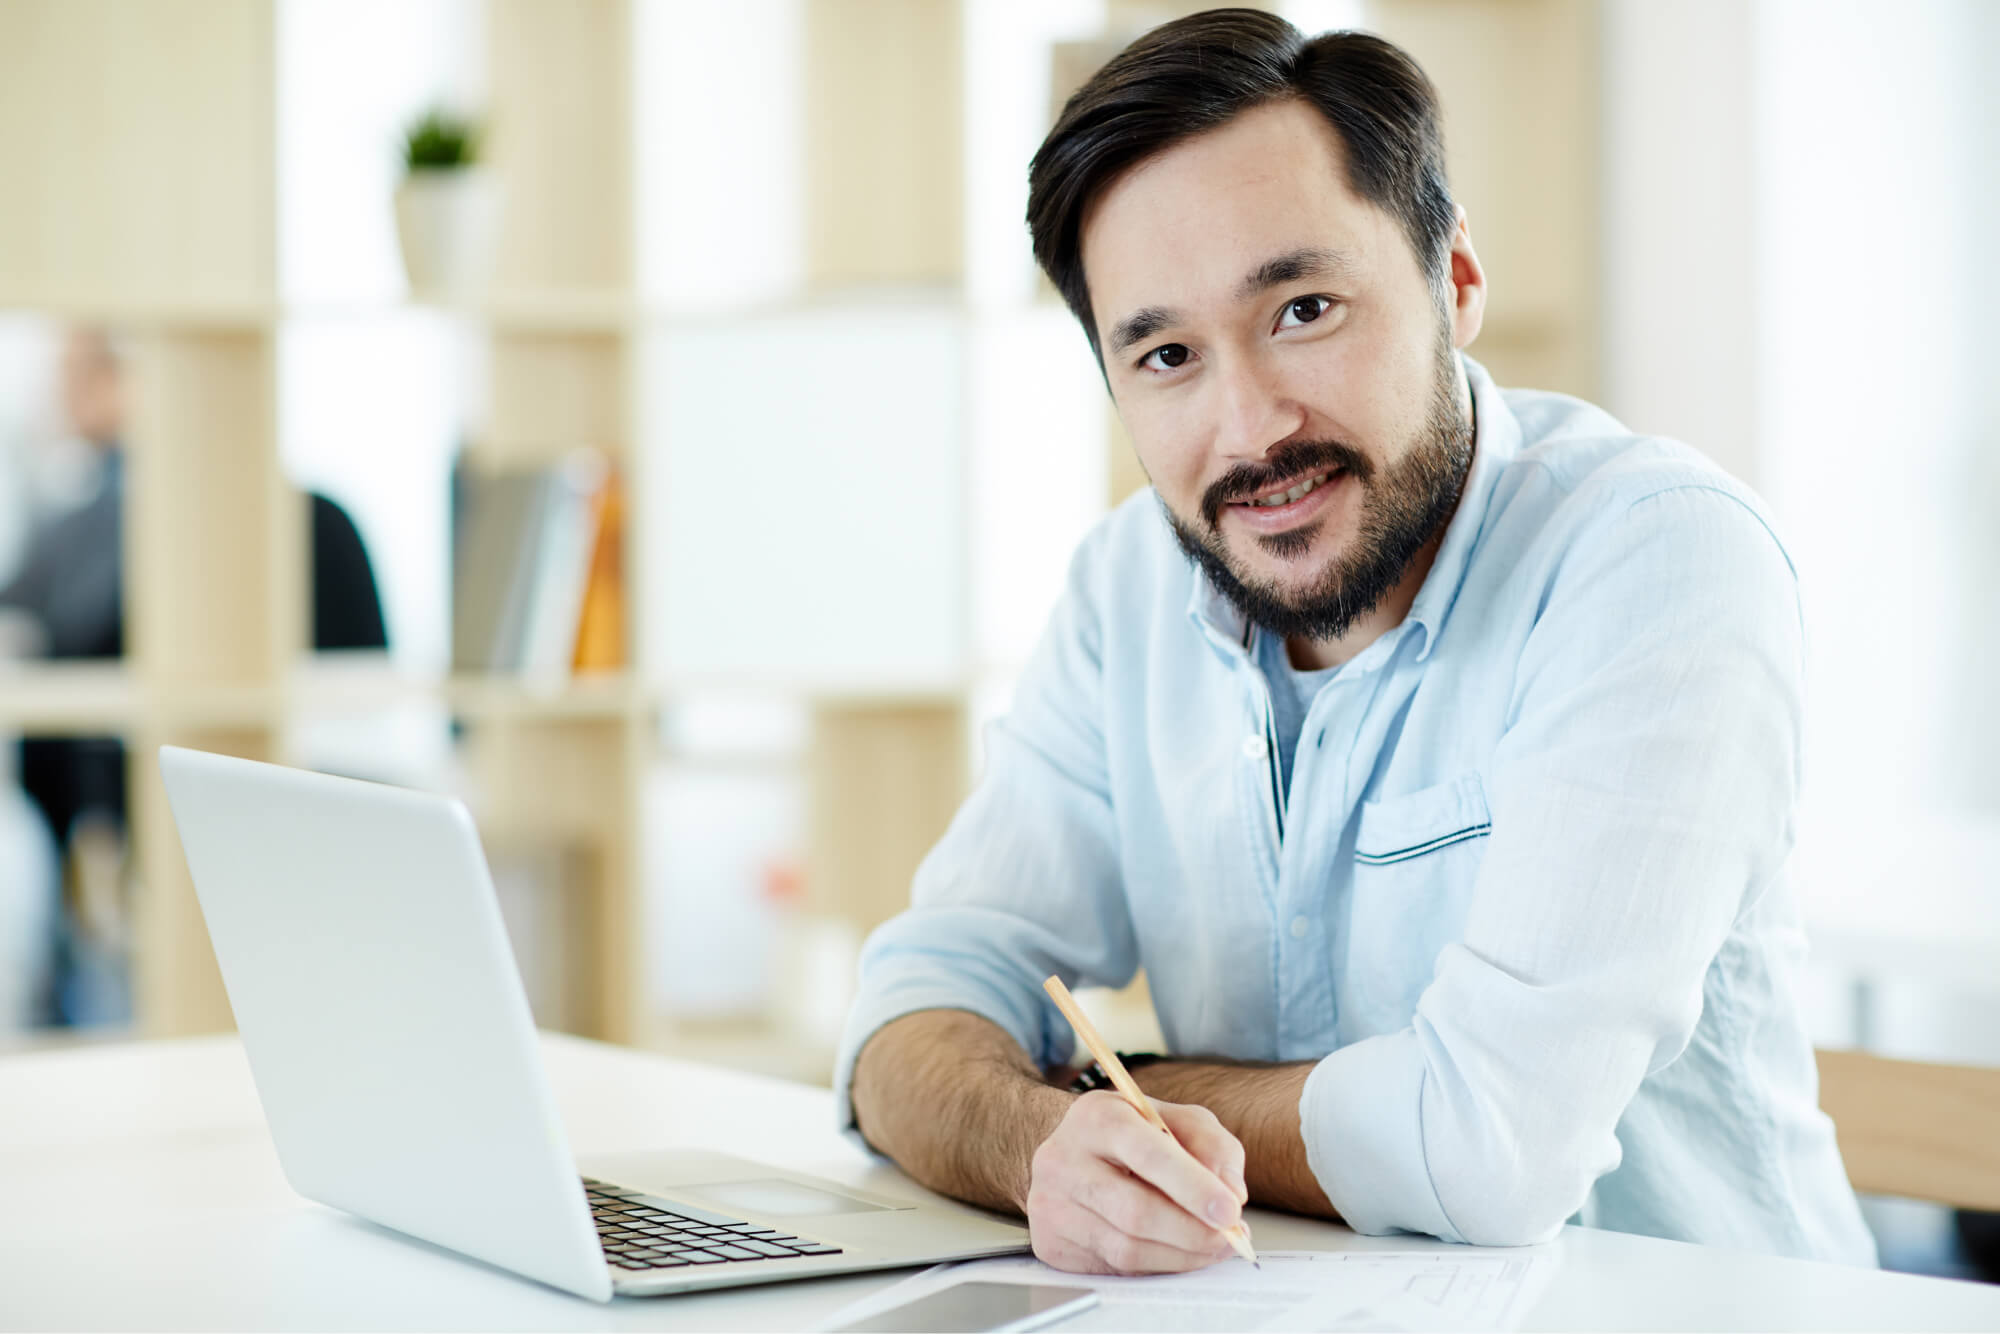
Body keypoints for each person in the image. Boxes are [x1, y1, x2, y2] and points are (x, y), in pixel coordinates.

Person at [837, 10, 1877, 1275]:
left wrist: (1131, 1089)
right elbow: (917, 997)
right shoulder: (1126, 585)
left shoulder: (1655, 557)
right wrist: (1027, 1136)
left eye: (1303, 309)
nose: (1249, 426)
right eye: (1165, 354)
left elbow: (1489, 1145)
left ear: (1454, 283)